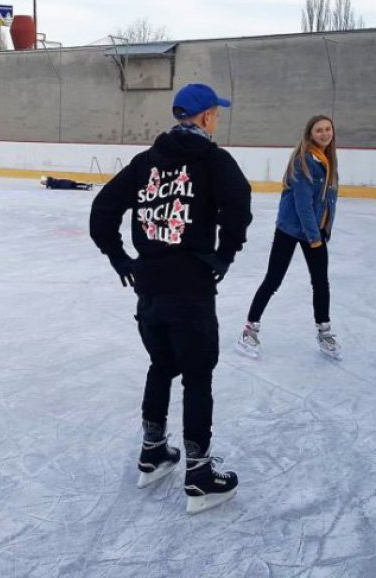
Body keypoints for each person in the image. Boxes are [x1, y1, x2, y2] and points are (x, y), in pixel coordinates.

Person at [89, 83, 252, 514]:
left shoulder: (145, 162)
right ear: (205, 117)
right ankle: (199, 476)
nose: (216, 120)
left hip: (149, 288)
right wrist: (225, 254)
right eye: (215, 113)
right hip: (191, 289)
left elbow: (102, 211)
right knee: (197, 375)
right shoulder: (214, 160)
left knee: (161, 365)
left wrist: (120, 258)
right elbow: (239, 206)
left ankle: (154, 451)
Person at [236, 114, 341, 360]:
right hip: (292, 228)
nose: (324, 134)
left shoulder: (327, 159)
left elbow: (328, 201)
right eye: (319, 130)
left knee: (320, 282)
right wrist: (315, 237)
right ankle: (249, 329)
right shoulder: (304, 161)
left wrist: (325, 229)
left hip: (315, 229)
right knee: (274, 279)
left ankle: (324, 332)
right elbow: (303, 204)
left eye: (328, 129)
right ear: (310, 134)